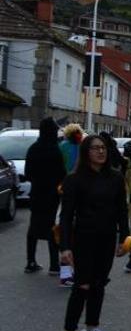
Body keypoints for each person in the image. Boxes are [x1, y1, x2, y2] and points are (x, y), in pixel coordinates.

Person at [59, 134, 130, 331]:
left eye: (104, 148)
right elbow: (66, 216)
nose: (101, 152)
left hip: (107, 238)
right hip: (83, 239)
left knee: (99, 285)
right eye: (95, 148)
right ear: (86, 152)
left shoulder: (116, 178)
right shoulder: (74, 179)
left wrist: (125, 238)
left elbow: (122, 210)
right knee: (82, 286)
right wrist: (65, 246)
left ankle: (91, 329)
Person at [24, 117, 66, 275]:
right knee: (52, 229)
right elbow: (62, 174)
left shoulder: (33, 148)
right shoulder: (56, 150)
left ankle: (30, 262)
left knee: (33, 229)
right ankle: (54, 266)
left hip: (36, 194)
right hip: (52, 196)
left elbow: (28, 173)